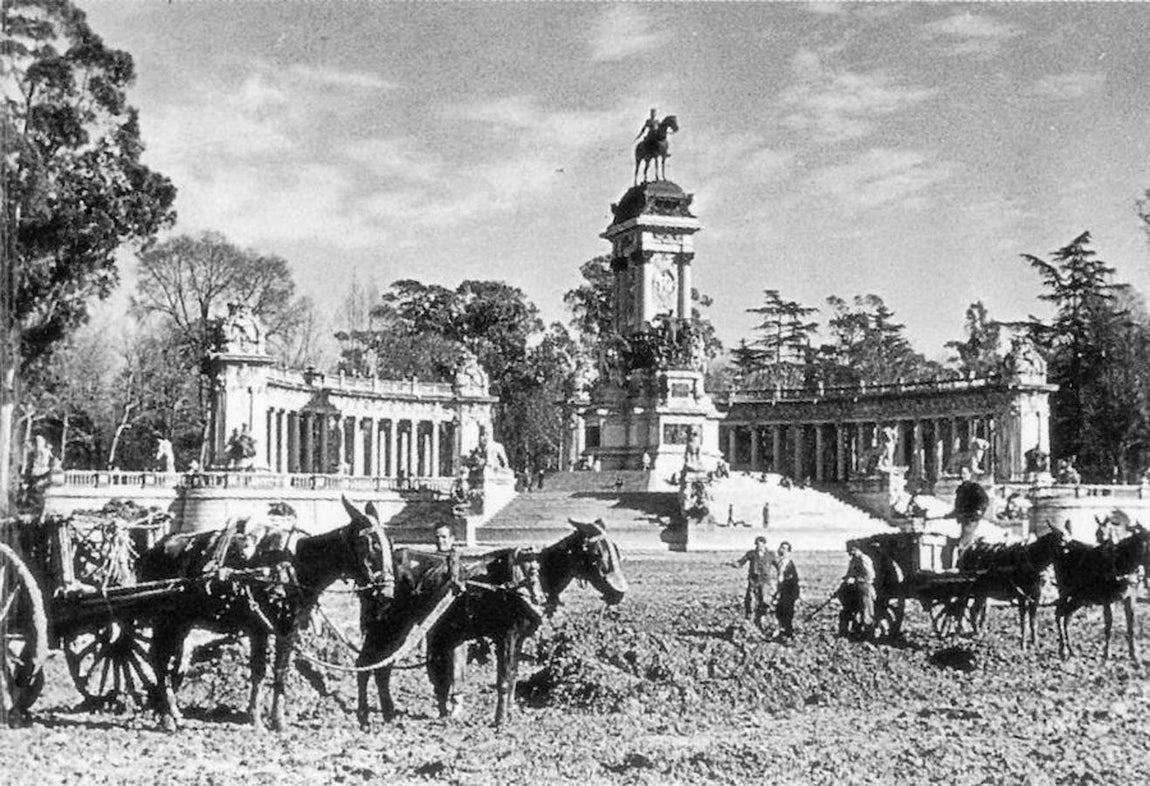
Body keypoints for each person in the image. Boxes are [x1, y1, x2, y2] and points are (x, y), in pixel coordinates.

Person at [729, 536, 777, 630]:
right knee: (749, 599)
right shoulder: (751, 554)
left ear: (764, 544)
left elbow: (778, 566)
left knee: (764, 600)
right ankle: (749, 618)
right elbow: (741, 562)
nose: (759, 545)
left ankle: (761, 619)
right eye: (757, 543)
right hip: (753, 580)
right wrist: (734, 564)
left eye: (761, 543)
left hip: (765, 581)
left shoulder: (770, 555)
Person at [839, 543, 876, 639]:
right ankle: (852, 632)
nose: (849, 553)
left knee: (866, 613)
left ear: (856, 549)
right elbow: (849, 574)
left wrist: (855, 579)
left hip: (864, 588)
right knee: (850, 612)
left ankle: (869, 636)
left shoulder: (864, 559)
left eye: (851, 551)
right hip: (855, 589)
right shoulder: (853, 560)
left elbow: (870, 576)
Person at [774, 542, 800, 640]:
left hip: (788, 592)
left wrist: (794, 595)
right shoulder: (780, 562)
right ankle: (782, 632)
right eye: (781, 548)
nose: (782, 550)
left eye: (785, 548)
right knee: (779, 612)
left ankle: (788, 634)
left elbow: (793, 581)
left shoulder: (789, 564)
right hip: (782, 591)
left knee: (787, 613)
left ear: (788, 551)